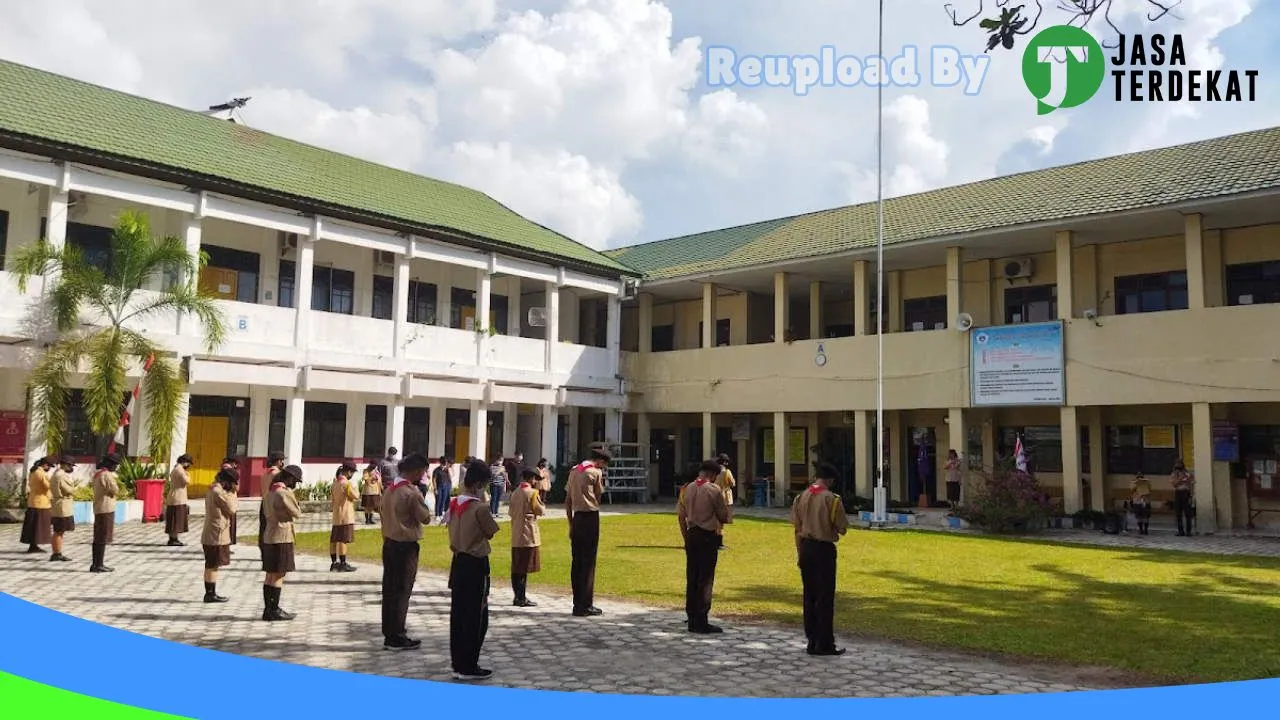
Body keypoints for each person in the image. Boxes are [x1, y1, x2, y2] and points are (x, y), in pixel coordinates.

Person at [445, 460, 499, 681]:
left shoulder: (455, 503)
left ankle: (459, 662)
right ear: (478, 484)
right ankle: (469, 664)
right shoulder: (479, 507)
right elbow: (491, 531)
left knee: (458, 614)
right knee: (476, 616)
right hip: (475, 563)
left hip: (458, 561)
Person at [790, 462, 849, 656]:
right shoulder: (831, 499)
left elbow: (797, 529)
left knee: (810, 595)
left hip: (805, 547)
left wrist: (799, 554)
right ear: (830, 480)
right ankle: (824, 643)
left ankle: (812, 639)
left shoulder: (801, 497)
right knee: (825, 597)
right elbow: (842, 528)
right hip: (823, 549)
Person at [380, 453, 432, 651]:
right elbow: (425, 517)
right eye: (422, 471)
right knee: (402, 591)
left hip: (390, 542)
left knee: (390, 590)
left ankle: (389, 632)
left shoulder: (389, 490)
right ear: (416, 471)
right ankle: (398, 634)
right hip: (406, 545)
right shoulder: (411, 493)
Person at [677, 460, 730, 634]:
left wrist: (685, 538)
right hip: (707, 536)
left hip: (692, 534)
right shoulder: (713, 489)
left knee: (692, 575)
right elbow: (723, 515)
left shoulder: (688, 488)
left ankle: (691, 615)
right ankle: (701, 619)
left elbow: (682, 515)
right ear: (713, 475)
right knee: (705, 578)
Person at [565, 446, 610, 617]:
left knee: (577, 562)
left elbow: (567, 500)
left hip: (576, 518)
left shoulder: (574, 471)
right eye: (604, 465)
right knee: (589, 562)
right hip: (590, 517)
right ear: (600, 461)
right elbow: (598, 497)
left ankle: (577, 603)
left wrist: (570, 524)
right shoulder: (595, 473)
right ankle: (586, 603)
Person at [261, 464, 303, 622]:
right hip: (282, 536)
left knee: (270, 574)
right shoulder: (283, 493)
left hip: (269, 535)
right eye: (295, 481)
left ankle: (268, 609)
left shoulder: (269, 492)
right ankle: (275, 609)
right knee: (279, 573)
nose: (295, 484)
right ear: (289, 478)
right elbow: (297, 512)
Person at [202, 468, 240, 603]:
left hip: (212, 532)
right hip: (216, 534)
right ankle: (210, 594)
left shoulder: (213, 488)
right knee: (213, 564)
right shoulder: (219, 492)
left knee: (212, 564)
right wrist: (234, 493)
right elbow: (232, 509)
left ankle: (210, 593)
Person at [509, 469, 545, 608]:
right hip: (528, 534)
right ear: (530, 479)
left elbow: (511, 512)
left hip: (516, 533)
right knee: (524, 568)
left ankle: (517, 595)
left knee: (516, 567)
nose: (535, 481)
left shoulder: (515, 492)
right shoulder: (532, 493)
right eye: (535, 479)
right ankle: (521, 597)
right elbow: (540, 510)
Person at [90, 453, 122, 574]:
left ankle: (96, 563)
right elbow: (115, 490)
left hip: (99, 507)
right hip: (106, 508)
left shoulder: (98, 474)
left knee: (98, 537)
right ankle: (98, 564)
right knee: (102, 537)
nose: (116, 467)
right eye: (115, 465)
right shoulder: (106, 475)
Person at [330, 462, 359, 573]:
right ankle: (343, 563)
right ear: (348, 472)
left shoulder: (334, 483)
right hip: (346, 515)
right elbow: (355, 496)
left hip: (336, 515)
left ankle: (334, 563)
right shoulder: (346, 484)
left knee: (334, 540)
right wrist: (355, 488)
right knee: (343, 540)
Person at [20, 456, 53, 555]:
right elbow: (47, 486)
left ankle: (33, 545)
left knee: (33, 525)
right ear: (45, 465)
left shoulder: (33, 471)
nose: (49, 468)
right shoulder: (40, 473)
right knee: (38, 526)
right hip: (41, 502)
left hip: (33, 501)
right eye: (49, 466)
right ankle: (33, 546)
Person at [48, 456, 77, 562]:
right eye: (70, 465)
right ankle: (56, 553)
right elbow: (69, 490)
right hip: (62, 505)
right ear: (64, 464)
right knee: (59, 531)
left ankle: (57, 552)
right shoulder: (61, 475)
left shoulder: (56, 474)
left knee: (59, 530)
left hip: (59, 504)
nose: (71, 467)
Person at [259, 451, 286, 562]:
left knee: (264, 528)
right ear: (279, 461)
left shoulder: (265, 475)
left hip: (264, 502)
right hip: (273, 503)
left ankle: (264, 552)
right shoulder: (277, 475)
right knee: (274, 529)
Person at [165, 454, 193, 547]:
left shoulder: (175, 469)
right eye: (188, 463)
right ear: (185, 462)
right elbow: (187, 481)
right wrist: (188, 474)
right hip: (178, 498)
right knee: (176, 519)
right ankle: (173, 539)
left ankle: (173, 538)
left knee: (174, 518)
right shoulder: (180, 470)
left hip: (174, 496)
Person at [713, 453, 736, 550]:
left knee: (716, 520)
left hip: (714, 496)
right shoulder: (726, 472)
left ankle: (714, 541)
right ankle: (719, 543)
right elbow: (732, 483)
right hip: (725, 497)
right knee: (721, 522)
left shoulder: (714, 472)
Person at [1171, 460, 1195, 536]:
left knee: (1188, 513)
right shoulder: (1174, 473)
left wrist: (1191, 495)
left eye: (1179, 465)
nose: (1178, 467)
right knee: (1178, 513)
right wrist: (1181, 480)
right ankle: (1180, 531)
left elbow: (1191, 482)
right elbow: (1174, 484)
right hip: (1178, 492)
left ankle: (1188, 531)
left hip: (1185, 493)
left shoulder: (1187, 473)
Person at [221, 457, 240, 550]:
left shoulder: (222, 470)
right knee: (229, 524)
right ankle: (226, 546)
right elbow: (236, 488)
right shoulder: (230, 472)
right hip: (229, 500)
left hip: (225, 499)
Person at [360, 461, 382, 525]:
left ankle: (371, 519)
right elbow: (366, 480)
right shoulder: (366, 471)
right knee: (367, 506)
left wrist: (380, 490)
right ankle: (367, 520)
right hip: (367, 491)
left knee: (372, 506)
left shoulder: (376, 471)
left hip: (375, 491)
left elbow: (379, 481)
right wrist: (372, 477)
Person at [433, 457, 454, 523]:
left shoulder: (446, 470)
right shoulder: (437, 470)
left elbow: (451, 477)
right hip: (439, 486)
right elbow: (434, 479)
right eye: (443, 463)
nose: (444, 464)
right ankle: (437, 514)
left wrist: (448, 469)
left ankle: (441, 513)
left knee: (443, 500)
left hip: (445, 486)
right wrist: (435, 488)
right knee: (438, 500)